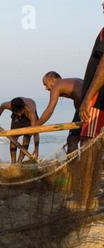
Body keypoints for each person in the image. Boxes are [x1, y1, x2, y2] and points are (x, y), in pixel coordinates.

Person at [78, 3, 104, 209]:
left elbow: (103, 66)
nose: (102, 4)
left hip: (99, 100)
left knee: (88, 146)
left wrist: (88, 98)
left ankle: (85, 200)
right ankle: (91, 197)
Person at [37, 71, 83, 153]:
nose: (46, 88)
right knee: (86, 136)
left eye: (45, 84)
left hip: (86, 105)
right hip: (96, 103)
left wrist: (36, 125)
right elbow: (78, 97)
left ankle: (72, 165)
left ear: (52, 80)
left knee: (72, 140)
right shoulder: (72, 82)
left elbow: (49, 110)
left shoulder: (56, 86)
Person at [0, 97, 39, 163]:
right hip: (16, 118)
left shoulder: (30, 111)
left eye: (21, 112)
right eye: (17, 113)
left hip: (29, 119)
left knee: (26, 140)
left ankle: (19, 162)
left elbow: (36, 131)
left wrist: (36, 149)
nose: (20, 114)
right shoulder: (8, 105)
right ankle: (13, 163)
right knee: (13, 138)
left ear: (23, 108)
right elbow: (1, 107)